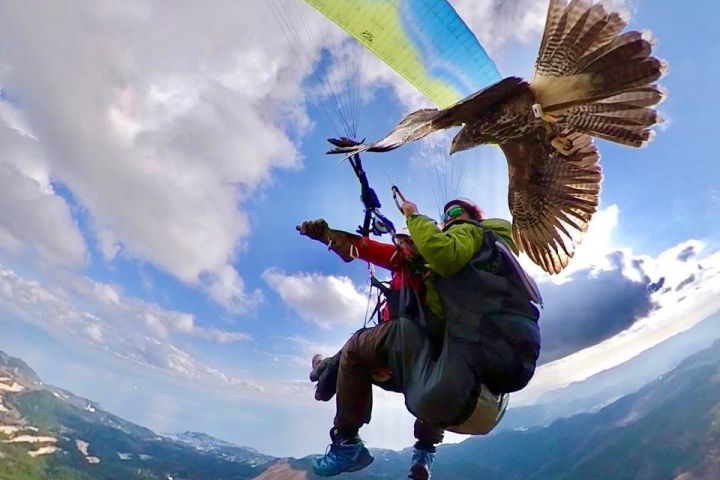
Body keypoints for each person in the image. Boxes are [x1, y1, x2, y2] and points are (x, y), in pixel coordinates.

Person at [302, 197, 542, 479]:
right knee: (393, 355)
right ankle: (424, 452)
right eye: (445, 215)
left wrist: (334, 237)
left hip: (450, 393)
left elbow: (374, 250)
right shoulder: (479, 274)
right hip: (482, 395)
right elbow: (375, 251)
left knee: (359, 346)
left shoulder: (453, 246)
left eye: (454, 212)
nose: (448, 217)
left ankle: (346, 441)